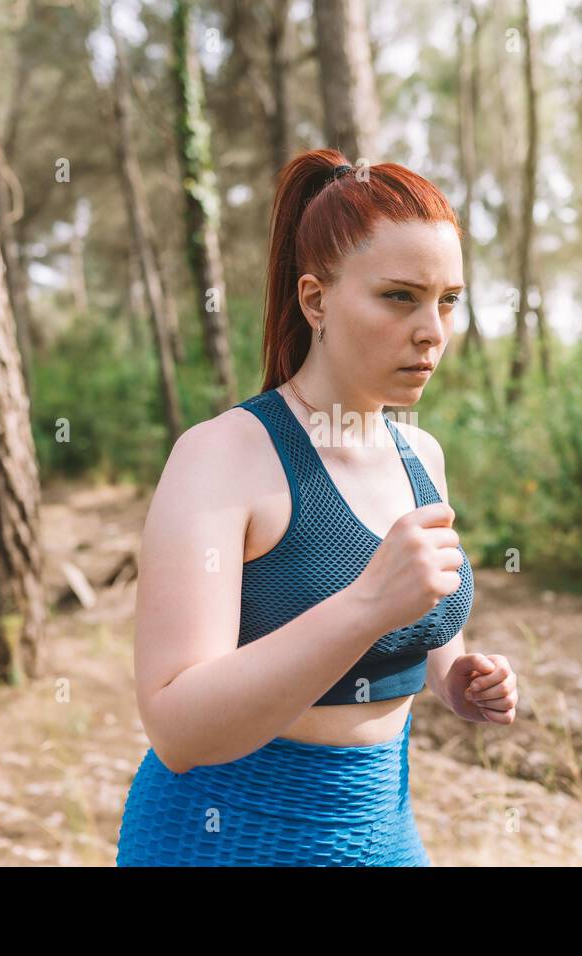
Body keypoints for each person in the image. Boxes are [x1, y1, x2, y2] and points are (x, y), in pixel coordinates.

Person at [116, 148, 518, 867]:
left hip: (382, 829)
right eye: (400, 296)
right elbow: (177, 727)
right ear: (315, 301)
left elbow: (412, 623)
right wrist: (367, 602)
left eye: (448, 299)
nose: (432, 331)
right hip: (227, 835)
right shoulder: (221, 457)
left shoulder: (421, 457)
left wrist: (455, 679)